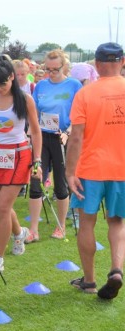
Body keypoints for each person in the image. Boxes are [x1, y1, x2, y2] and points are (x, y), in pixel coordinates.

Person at [66, 42, 125, 298]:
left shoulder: (85, 93)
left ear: (97, 65)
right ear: (122, 62)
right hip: (121, 169)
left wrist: (69, 172)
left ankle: (89, 281)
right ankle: (116, 270)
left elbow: (76, 136)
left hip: (90, 168)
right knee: (117, 222)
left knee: (86, 223)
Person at [0, 57, 42, 275]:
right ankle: (19, 232)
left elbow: (36, 130)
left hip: (19, 156)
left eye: (2, 84)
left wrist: (37, 160)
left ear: (12, 77)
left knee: (3, 207)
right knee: (2, 206)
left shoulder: (25, 99)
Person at [25, 49, 82, 243]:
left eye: (55, 69)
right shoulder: (40, 86)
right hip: (42, 136)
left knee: (60, 183)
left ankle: (61, 226)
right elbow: (34, 113)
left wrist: (68, 132)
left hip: (62, 138)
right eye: (47, 69)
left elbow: (79, 116)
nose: (51, 73)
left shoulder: (74, 85)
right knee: (35, 179)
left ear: (64, 66)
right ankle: (33, 229)